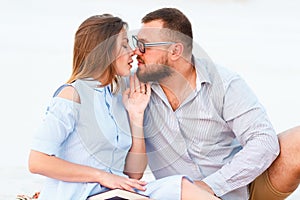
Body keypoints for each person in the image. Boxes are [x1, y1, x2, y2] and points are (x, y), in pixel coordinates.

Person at [28, 14, 219, 200]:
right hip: (82, 195)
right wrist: (102, 176)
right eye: (125, 45)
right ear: (106, 52)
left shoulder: (120, 95)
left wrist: (136, 116)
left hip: (119, 191)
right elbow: (37, 161)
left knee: (183, 188)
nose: (133, 51)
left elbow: (133, 174)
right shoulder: (72, 95)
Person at [132, 7, 300, 200]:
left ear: (175, 51)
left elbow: (264, 141)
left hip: (243, 189)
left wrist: (211, 186)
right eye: (136, 43)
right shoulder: (134, 90)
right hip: (182, 196)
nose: (137, 51)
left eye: (145, 46)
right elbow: (96, 81)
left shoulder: (225, 83)